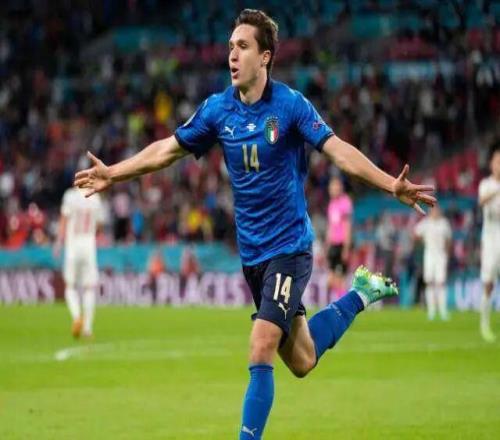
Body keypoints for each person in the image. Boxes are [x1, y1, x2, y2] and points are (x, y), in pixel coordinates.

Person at [74, 10, 436, 439]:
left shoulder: (290, 106)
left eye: (242, 46)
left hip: (290, 249)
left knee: (261, 344)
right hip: (253, 257)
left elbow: (338, 150)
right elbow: (166, 150)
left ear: (265, 57)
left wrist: (390, 185)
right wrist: (113, 173)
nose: (232, 55)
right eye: (230, 46)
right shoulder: (217, 110)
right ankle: (360, 294)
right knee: (302, 359)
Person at [54, 186, 104, 339]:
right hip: (88, 246)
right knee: (89, 288)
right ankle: (87, 328)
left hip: (73, 246)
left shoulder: (70, 196)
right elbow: (99, 225)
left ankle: (77, 317)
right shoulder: (95, 198)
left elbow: (64, 220)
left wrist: (58, 242)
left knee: (70, 286)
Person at [414, 204, 452, 321]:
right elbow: (416, 234)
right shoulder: (426, 223)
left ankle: (443, 310)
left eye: (437, 210)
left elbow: (448, 239)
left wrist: (447, 254)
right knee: (429, 282)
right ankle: (431, 310)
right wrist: (422, 242)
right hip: (429, 255)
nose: (435, 212)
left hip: (441, 255)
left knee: (441, 282)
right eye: (433, 210)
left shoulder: (444, 223)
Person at [478, 146, 500, 342]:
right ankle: (484, 324)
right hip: (491, 238)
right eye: (497, 162)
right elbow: (482, 201)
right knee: (488, 282)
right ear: (492, 164)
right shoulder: (486, 184)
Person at [325, 176, 353, 299]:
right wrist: (327, 245)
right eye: (331, 187)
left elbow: (347, 226)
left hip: (342, 244)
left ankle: (343, 303)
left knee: (340, 279)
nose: (332, 189)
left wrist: (346, 248)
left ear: (340, 187)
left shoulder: (345, 202)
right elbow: (330, 226)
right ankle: (335, 303)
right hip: (333, 245)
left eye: (335, 187)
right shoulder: (331, 204)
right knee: (331, 280)